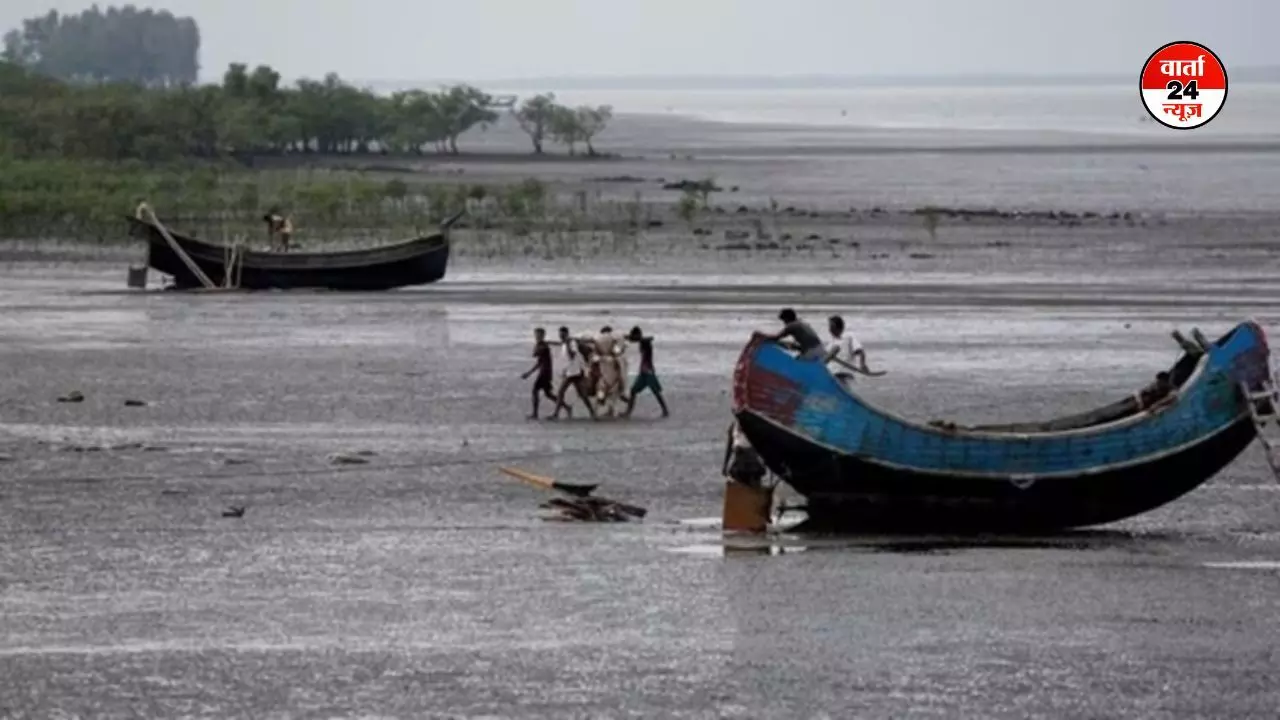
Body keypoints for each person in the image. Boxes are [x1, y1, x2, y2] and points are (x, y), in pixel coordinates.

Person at [622, 326, 670, 418]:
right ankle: (628, 412)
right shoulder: (642, 342)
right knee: (633, 391)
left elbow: (649, 338)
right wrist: (627, 337)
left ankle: (665, 410)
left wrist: (635, 338)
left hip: (648, 371)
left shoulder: (645, 342)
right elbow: (633, 339)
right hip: (643, 372)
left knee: (656, 392)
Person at [550, 327, 597, 421]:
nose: (561, 336)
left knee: (562, 392)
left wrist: (567, 345)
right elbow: (566, 360)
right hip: (570, 372)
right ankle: (592, 413)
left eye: (562, 335)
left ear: (567, 334)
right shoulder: (565, 344)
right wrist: (563, 370)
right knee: (581, 394)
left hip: (575, 372)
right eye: (560, 335)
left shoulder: (571, 343)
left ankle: (556, 414)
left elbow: (572, 355)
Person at [521, 327, 557, 419]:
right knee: (548, 394)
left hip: (545, 372)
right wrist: (529, 373)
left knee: (535, 391)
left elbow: (535, 354)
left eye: (538, 335)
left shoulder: (542, 346)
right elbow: (539, 362)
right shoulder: (543, 345)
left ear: (543, 335)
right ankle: (565, 406)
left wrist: (538, 345)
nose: (537, 336)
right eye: (536, 334)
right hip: (545, 372)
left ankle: (535, 413)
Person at [825, 315, 867, 388]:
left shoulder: (848, 337)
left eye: (832, 327)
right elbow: (824, 359)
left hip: (845, 374)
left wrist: (862, 364)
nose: (830, 329)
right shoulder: (830, 345)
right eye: (830, 327)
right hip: (832, 375)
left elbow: (860, 351)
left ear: (839, 328)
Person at [723, 420, 766, 488]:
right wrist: (725, 465)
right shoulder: (733, 426)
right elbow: (729, 447)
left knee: (754, 484)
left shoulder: (754, 426)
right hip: (739, 463)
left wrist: (764, 463)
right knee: (737, 482)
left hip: (752, 464)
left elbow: (763, 445)